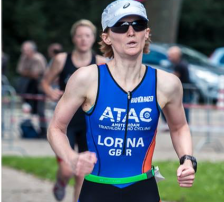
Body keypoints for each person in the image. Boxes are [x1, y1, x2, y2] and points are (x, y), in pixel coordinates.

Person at [47, 1, 196, 201]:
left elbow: (179, 127)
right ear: (106, 37)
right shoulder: (87, 78)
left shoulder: (167, 83)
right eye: (121, 26)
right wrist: (72, 158)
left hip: (144, 188)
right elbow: (56, 128)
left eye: (138, 25)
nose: (131, 31)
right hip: (97, 189)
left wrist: (187, 159)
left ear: (147, 33)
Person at [41, 20, 107, 202]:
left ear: (94, 38)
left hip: (89, 122)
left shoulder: (101, 62)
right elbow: (45, 81)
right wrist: (50, 91)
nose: (83, 39)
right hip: (67, 121)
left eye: (87, 35)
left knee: (83, 172)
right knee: (67, 169)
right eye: (80, 36)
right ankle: (61, 182)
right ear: (74, 38)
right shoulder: (62, 59)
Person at [17, 40, 47, 138]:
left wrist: (28, 73)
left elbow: (36, 74)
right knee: (27, 109)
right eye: (23, 50)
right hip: (29, 87)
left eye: (26, 50)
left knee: (40, 110)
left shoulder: (38, 58)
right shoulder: (24, 57)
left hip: (39, 87)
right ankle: (29, 130)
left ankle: (43, 131)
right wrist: (30, 73)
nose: (24, 52)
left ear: (32, 50)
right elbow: (20, 70)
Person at [167, 46, 192, 123]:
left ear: (177, 55)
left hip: (183, 92)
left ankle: (183, 125)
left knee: (184, 109)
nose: (169, 57)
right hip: (184, 91)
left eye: (171, 55)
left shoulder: (179, 65)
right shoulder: (182, 63)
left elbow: (174, 77)